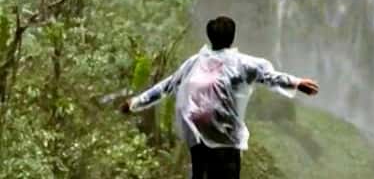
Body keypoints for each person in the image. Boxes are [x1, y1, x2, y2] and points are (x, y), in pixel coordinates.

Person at [120, 16, 319, 179]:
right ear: (232, 38)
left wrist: (135, 102)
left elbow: (167, 85)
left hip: (198, 138)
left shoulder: (194, 62)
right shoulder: (241, 63)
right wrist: (296, 82)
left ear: (210, 37)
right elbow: (268, 77)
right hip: (225, 143)